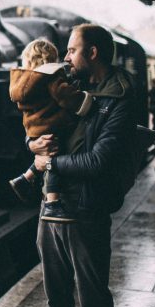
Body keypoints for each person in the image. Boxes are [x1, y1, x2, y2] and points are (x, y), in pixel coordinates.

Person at [20, 24, 137, 307]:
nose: (65, 57)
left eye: (72, 50)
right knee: (56, 299)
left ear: (94, 53)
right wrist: (33, 146)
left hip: (85, 212)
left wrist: (48, 162)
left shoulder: (119, 98)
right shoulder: (70, 82)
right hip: (51, 208)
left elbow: (98, 163)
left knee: (95, 305)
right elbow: (42, 120)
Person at [8, 38, 92, 222]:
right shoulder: (50, 76)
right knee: (52, 159)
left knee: (46, 158)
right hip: (52, 124)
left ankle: (25, 178)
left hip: (33, 127)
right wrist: (85, 100)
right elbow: (65, 97)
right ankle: (53, 203)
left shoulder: (22, 80)